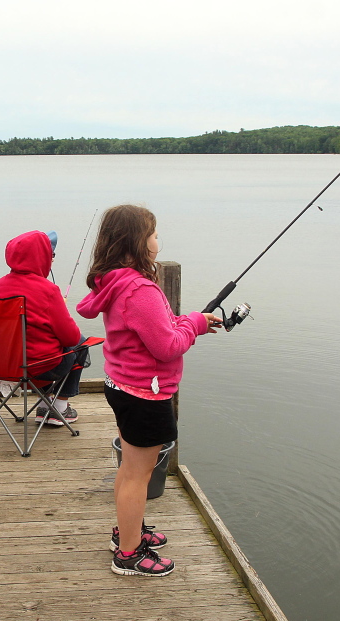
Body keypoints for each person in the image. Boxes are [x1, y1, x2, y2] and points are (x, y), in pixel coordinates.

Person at [76, 204, 223, 577]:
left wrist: (190, 319)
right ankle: (128, 554)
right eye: (154, 234)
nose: (159, 240)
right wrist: (195, 326)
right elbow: (167, 346)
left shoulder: (116, 281)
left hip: (123, 385)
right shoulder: (138, 288)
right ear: (135, 243)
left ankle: (127, 529)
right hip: (145, 394)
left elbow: (156, 328)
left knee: (130, 468)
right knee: (138, 475)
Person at [0, 230, 85, 425]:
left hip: (3, 367)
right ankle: (59, 408)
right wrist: (60, 310)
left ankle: (45, 404)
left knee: (35, 347)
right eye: (51, 255)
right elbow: (71, 338)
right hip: (41, 369)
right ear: (42, 257)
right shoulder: (48, 290)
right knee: (81, 344)